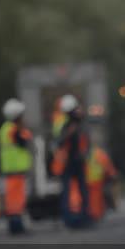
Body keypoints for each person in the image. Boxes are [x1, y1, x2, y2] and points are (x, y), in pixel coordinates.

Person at [51, 95, 92, 228]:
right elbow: (59, 142)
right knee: (68, 192)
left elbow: (86, 142)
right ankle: (70, 219)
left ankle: (84, 217)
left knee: (81, 190)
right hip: (68, 162)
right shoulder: (65, 125)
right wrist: (69, 133)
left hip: (78, 161)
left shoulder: (79, 124)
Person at [0, 98, 33, 235]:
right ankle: (16, 226)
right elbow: (24, 142)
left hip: (11, 169)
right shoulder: (13, 129)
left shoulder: (5, 128)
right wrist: (24, 131)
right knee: (16, 199)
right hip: (15, 169)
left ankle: (15, 225)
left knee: (13, 199)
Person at [84, 146, 118, 221]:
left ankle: (94, 215)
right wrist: (112, 175)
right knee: (96, 199)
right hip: (96, 180)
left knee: (93, 199)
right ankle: (96, 215)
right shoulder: (100, 154)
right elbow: (108, 167)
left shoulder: (87, 153)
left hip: (88, 180)